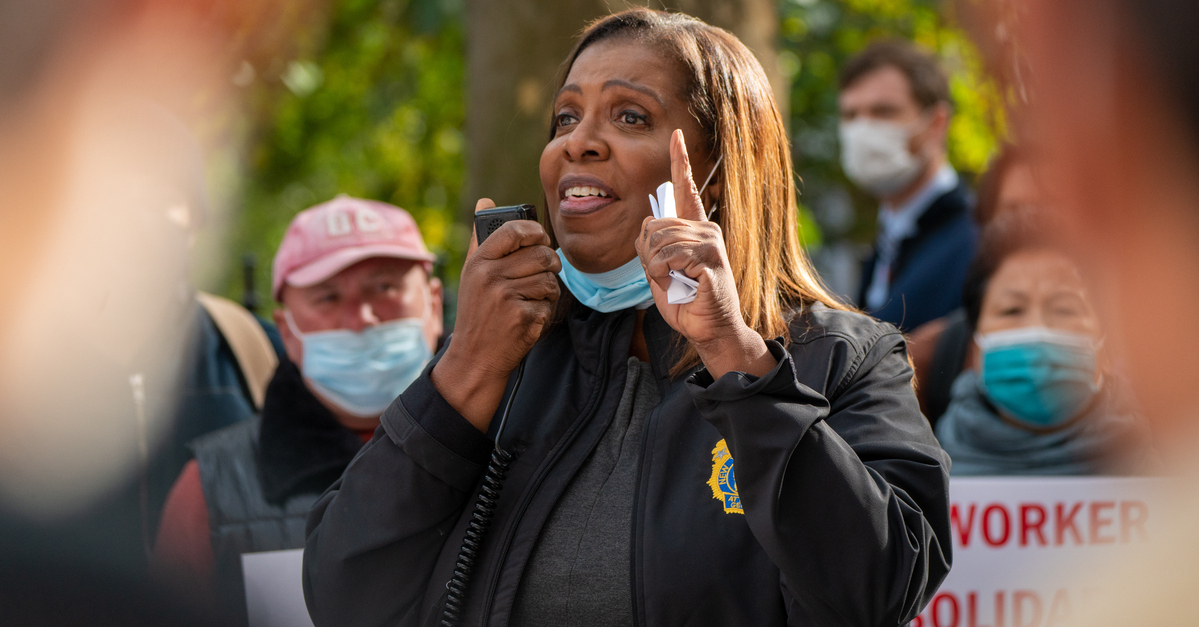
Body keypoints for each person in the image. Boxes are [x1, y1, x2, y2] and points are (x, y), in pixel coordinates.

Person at [303, 9, 951, 627]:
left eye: (628, 115)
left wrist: (737, 361)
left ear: (718, 168)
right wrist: (466, 366)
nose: (577, 143)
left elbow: (877, 589)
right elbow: (344, 592)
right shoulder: (506, 350)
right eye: (564, 117)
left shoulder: (840, 357)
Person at [154, 195, 443, 620]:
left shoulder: (513, 443)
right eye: (327, 297)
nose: (360, 317)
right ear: (287, 332)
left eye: (384, 287)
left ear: (433, 304)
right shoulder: (210, 490)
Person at [933, 211, 1156, 475]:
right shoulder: (927, 480)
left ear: (1103, 338)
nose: (1037, 329)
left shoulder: (1167, 473)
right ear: (976, 341)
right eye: (1011, 311)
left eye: (1065, 309)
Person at [839, 39, 977, 331]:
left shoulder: (979, 239)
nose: (862, 130)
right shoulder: (886, 244)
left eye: (883, 112)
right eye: (851, 115)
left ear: (936, 123)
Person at [907, 143, 1035, 426]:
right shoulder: (925, 363)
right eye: (1017, 213)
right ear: (984, 225)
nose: (1038, 228)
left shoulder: (1142, 356)